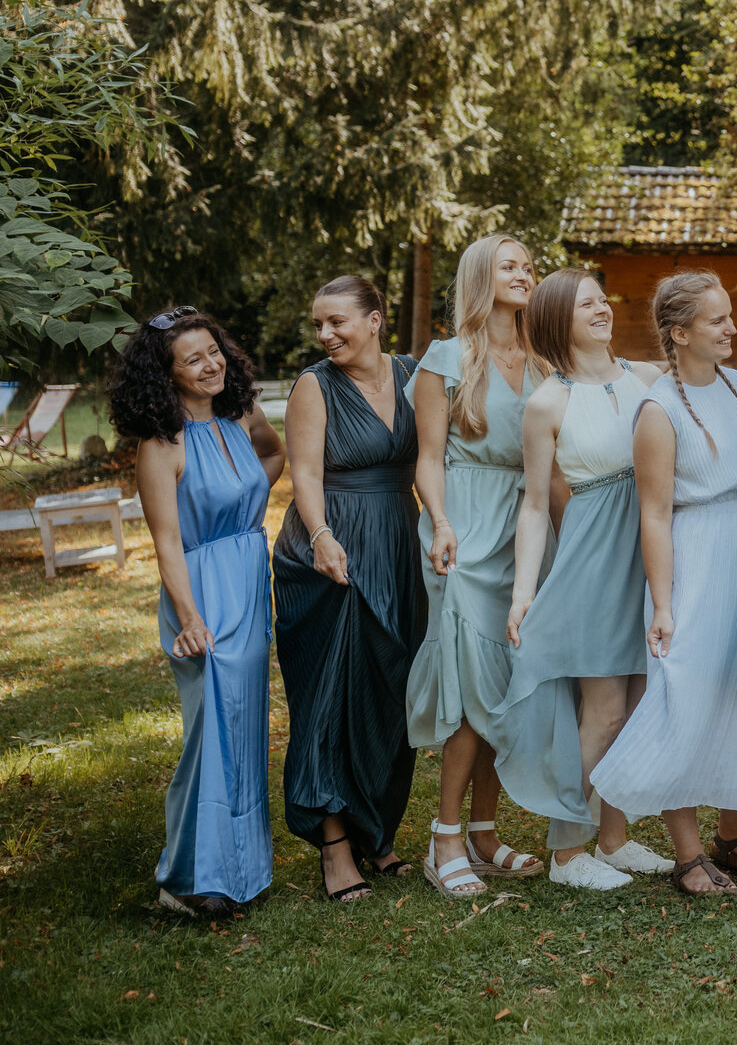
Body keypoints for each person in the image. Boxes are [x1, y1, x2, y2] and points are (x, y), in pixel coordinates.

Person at [590, 271, 737, 897]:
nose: (732, 328)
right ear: (679, 333)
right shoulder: (659, 411)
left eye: (730, 316)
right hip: (696, 556)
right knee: (686, 694)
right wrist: (663, 603)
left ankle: (732, 833)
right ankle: (688, 853)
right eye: (717, 320)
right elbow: (653, 514)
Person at [110, 308, 286, 917]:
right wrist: (189, 619)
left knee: (243, 726)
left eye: (214, 351)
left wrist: (245, 503)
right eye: (193, 359)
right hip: (201, 592)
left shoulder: (242, 414)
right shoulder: (161, 444)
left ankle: (241, 870)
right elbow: (165, 542)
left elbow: (273, 456)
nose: (210, 365)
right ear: (167, 374)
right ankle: (187, 879)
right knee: (211, 731)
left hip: (247, 577)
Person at [498, 269, 667, 890]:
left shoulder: (648, 379)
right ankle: (568, 852)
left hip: (650, 550)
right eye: (585, 304)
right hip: (594, 556)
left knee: (639, 701)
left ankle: (614, 840)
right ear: (556, 321)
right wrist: (524, 592)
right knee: (603, 709)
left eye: (603, 299)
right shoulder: (548, 402)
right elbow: (534, 506)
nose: (602, 309)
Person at [272, 277, 427, 902]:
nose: (325, 334)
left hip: (399, 541)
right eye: (319, 324)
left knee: (391, 688)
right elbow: (304, 473)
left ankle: (375, 830)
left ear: (375, 320)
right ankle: (334, 846)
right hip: (329, 546)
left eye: (337, 321)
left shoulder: (414, 374)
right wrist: (321, 536)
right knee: (330, 695)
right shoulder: (314, 385)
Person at [405, 235, 549, 898]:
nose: (523, 274)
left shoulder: (544, 360)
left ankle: (485, 834)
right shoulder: (445, 358)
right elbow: (428, 457)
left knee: (510, 686)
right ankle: (444, 839)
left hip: (527, 531)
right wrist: (440, 522)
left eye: (528, 266)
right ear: (479, 278)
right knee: (468, 692)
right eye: (508, 266)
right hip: (463, 531)